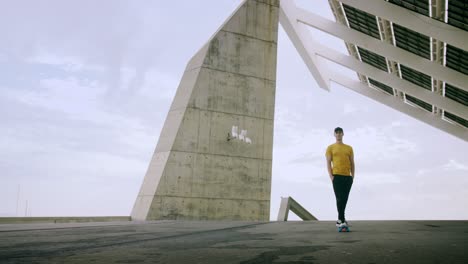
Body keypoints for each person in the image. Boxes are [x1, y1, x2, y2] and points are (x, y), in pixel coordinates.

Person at [325, 127, 355, 227]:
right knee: (339, 198)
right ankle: (341, 220)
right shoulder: (330, 148)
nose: (338, 134)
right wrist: (331, 176)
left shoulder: (349, 148)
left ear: (343, 134)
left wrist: (353, 176)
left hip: (347, 177)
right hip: (336, 176)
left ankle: (340, 220)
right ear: (334, 134)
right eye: (336, 133)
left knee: (345, 198)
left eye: (340, 133)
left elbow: (352, 162)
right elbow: (328, 163)